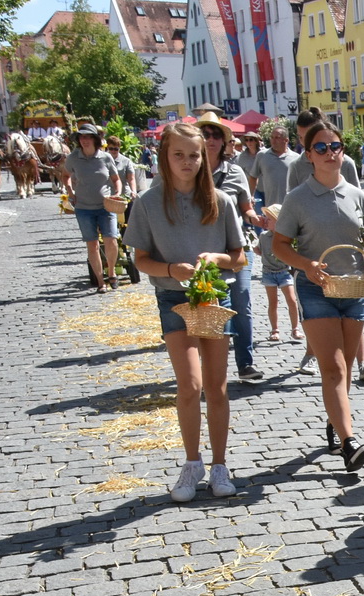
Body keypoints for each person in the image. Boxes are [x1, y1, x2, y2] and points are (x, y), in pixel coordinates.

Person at [122, 121, 245, 502]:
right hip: (173, 300)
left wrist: (217, 257)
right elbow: (141, 260)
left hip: (213, 298)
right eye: (179, 155)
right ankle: (192, 463)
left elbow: (239, 259)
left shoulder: (219, 201)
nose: (188, 161)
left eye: (194, 155)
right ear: (165, 157)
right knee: (189, 386)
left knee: (217, 387)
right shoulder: (147, 203)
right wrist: (173, 269)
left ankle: (220, 465)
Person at [270, 118, 364, 473]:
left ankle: (336, 421)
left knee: (346, 369)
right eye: (321, 148)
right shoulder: (298, 198)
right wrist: (306, 265)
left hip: (354, 291)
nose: (330, 153)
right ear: (309, 155)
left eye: (335, 147)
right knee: (331, 368)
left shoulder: (358, 195)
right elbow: (279, 245)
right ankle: (350, 442)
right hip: (316, 291)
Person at [198, 113, 265, 384]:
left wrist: (256, 218)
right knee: (204, 307)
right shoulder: (190, 170)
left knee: (241, 301)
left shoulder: (235, 171)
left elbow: (245, 207)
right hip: (201, 249)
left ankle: (245, 364)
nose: (211, 140)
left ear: (225, 141)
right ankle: (210, 370)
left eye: (216, 135)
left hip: (236, 247)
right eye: (206, 134)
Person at [254, 122, 301, 345]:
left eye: (277, 137)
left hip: (292, 211)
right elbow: (252, 177)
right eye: (271, 137)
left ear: (286, 140)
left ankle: (295, 326)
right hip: (271, 211)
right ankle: (275, 328)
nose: (273, 140)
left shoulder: (295, 158)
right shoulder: (262, 157)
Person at [63, 122, 122, 291]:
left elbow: (115, 179)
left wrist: (117, 192)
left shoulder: (105, 157)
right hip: (84, 208)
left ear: (95, 139)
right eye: (82, 137)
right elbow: (65, 175)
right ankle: (100, 282)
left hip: (106, 206)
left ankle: (111, 273)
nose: (85, 140)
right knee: (92, 245)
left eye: (88, 137)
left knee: (111, 240)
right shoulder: (73, 157)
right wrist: (69, 191)